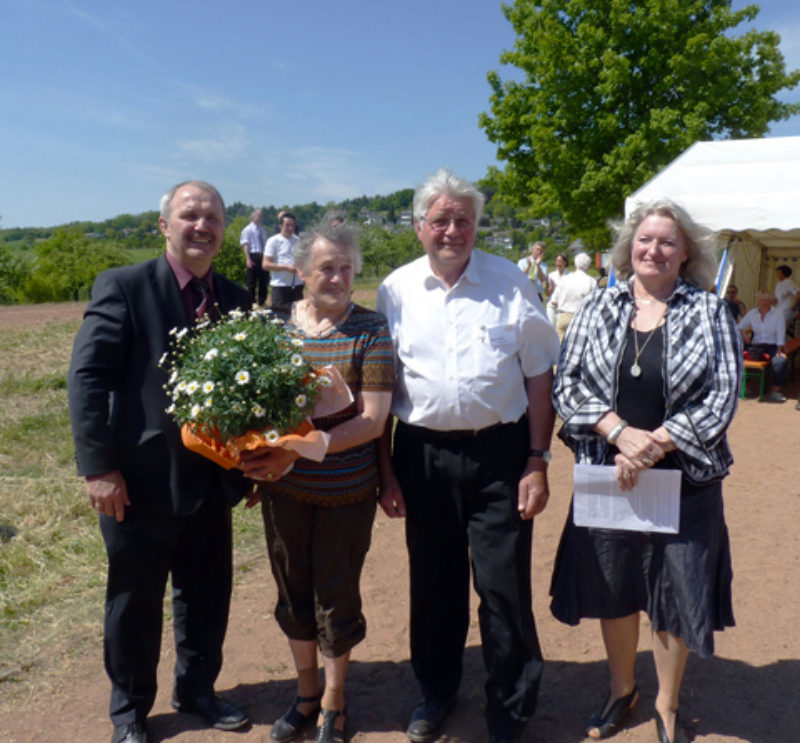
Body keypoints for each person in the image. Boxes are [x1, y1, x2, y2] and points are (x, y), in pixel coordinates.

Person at [376, 169, 560, 743]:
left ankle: (509, 704)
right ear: (418, 227)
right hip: (422, 455)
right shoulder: (395, 291)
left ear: (476, 225)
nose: (452, 230)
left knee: (502, 587)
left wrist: (537, 459)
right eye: (441, 220)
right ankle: (436, 691)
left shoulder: (511, 284)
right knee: (434, 583)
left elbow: (539, 375)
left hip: (500, 457)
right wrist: (386, 471)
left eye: (463, 220)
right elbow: (380, 387)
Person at [67, 181, 252, 743]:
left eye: (213, 217)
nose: (202, 226)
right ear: (164, 226)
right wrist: (98, 467)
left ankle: (196, 689)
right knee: (135, 600)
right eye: (190, 215)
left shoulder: (237, 299)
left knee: (207, 592)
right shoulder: (124, 287)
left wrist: (255, 461)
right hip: (138, 481)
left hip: (212, 480)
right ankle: (130, 711)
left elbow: (251, 397)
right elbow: (88, 378)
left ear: (225, 228)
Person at [550, 199, 741, 743]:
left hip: (683, 477)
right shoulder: (597, 305)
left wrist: (656, 441)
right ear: (628, 248)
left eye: (666, 242)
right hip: (609, 471)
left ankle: (668, 703)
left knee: (674, 593)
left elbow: (723, 396)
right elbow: (568, 384)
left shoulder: (707, 311)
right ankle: (620, 689)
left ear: (685, 255)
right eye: (644, 239)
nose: (652, 249)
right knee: (614, 587)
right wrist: (618, 433)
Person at [238, 221, 394, 743]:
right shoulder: (274, 328)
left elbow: (373, 420)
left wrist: (300, 451)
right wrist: (262, 455)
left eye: (347, 268)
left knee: (337, 594)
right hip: (282, 489)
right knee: (292, 592)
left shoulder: (370, 329)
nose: (338, 277)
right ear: (301, 271)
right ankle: (305, 694)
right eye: (327, 267)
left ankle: (333, 699)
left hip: (346, 491)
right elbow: (254, 409)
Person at [738, 291, 789, 403]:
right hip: (756, 346)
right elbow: (739, 326)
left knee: (780, 361)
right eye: (762, 300)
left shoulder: (778, 313)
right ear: (757, 301)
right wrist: (743, 332)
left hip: (773, 346)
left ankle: (775, 391)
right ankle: (744, 388)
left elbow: (781, 330)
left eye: (767, 300)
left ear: (771, 301)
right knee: (738, 359)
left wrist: (780, 348)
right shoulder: (752, 313)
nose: (764, 302)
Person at [549, 251, 597, 341]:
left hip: (563, 316)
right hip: (581, 318)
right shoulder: (591, 281)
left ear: (575, 265)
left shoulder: (564, 279)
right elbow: (594, 304)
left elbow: (554, 301)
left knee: (560, 347)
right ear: (589, 266)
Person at [263, 212, 304, 310]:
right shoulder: (273, 241)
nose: (290, 228)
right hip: (280, 285)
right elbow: (265, 264)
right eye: (287, 225)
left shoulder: (299, 241)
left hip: (297, 285)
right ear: (280, 225)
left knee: (298, 318)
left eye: (292, 225)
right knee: (279, 318)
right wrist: (286, 268)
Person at [241, 208, 269, 305]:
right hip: (253, 255)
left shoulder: (263, 230)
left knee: (263, 280)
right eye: (258, 215)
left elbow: (266, 245)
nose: (260, 218)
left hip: (263, 255)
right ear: (253, 217)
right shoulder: (247, 230)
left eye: (261, 216)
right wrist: (248, 259)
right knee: (251, 281)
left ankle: (262, 301)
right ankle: (251, 301)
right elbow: (246, 245)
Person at [546, 252, 570, 326]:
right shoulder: (551, 275)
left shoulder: (570, 275)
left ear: (565, 263)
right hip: (551, 305)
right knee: (551, 326)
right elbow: (547, 293)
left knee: (562, 326)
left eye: (560, 262)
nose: (558, 264)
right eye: (557, 261)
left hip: (563, 306)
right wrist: (552, 286)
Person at [773, 265, 799, 330]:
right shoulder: (778, 284)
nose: (777, 275)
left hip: (788, 309)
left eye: (779, 273)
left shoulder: (789, 283)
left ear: (783, 274)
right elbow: (778, 297)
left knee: (780, 325)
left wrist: (795, 304)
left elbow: (798, 293)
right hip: (779, 307)